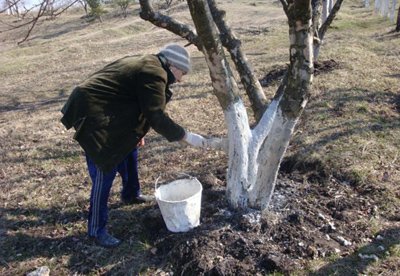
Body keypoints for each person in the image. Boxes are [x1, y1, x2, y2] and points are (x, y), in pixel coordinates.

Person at [60, 44, 209, 248]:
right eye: (182, 73)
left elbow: (135, 100)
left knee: (130, 148)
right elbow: (155, 114)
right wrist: (186, 136)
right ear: (173, 65)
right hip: (93, 113)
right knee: (105, 168)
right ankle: (96, 230)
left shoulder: (151, 65)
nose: (181, 79)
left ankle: (131, 194)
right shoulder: (154, 72)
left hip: (109, 110)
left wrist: (137, 131)